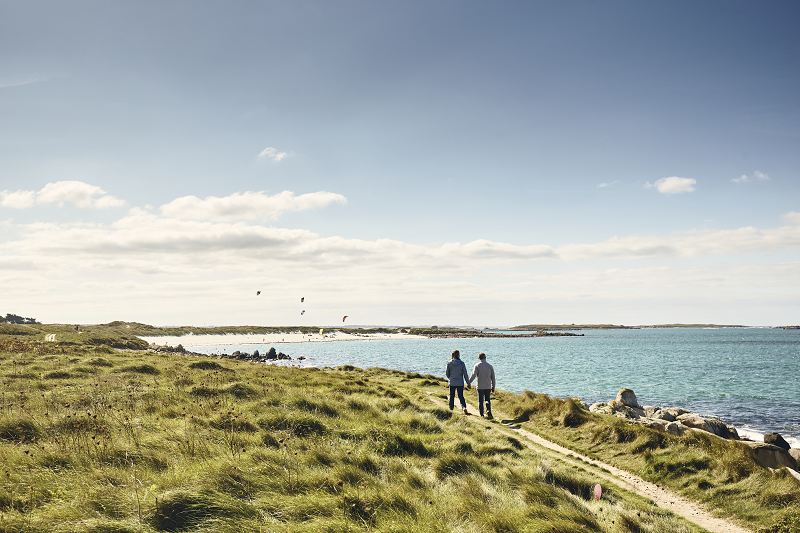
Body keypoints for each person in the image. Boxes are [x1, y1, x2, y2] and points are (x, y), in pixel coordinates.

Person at [467, 352, 495, 419]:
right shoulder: (490, 366)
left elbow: (473, 375)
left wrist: (469, 382)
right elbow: (493, 377)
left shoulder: (477, 365)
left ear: (479, 358)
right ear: (485, 358)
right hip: (488, 386)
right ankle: (488, 410)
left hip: (480, 386)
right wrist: (493, 386)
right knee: (487, 399)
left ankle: (482, 414)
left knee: (480, 401)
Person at [445, 350, 471, 414]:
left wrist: (450, 378)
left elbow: (447, 373)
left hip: (452, 382)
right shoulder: (462, 363)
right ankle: (464, 407)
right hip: (460, 383)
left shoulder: (449, 363)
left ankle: (451, 409)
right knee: (461, 396)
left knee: (452, 396)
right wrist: (468, 383)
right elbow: (465, 374)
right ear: (459, 355)